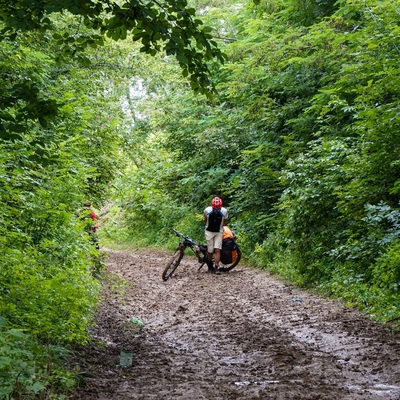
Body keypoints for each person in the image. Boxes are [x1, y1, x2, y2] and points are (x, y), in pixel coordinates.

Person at [203, 196, 228, 273]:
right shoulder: (207, 210)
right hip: (209, 231)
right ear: (212, 206)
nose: (217, 210)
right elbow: (205, 219)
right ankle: (210, 265)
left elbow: (224, 221)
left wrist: (220, 227)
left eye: (218, 208)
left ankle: (216, 267)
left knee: (217, 249)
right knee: (210, 250)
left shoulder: (224, 211)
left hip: (219, 231)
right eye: (215, 208)